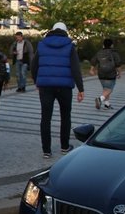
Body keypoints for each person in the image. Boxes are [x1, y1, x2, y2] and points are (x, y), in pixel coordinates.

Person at [31, 22, 85, 158]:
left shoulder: (42, 44)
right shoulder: (70, 46)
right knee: (65, 116)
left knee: (45, 117)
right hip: (65, 87)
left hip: (45, 86)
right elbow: (75, 68)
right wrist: (80, 88)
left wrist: (37, 81)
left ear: (52, 30)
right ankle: (65, 146)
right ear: (65, 31)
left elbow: (34, 65)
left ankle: (46, 151)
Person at [90, 38, 122, 109]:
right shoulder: (114, 53)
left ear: (103, 45)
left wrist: (91, 70)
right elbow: (118, 64)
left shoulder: (99, 52)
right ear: (112, 45)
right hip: (111, 74)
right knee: (110, 89)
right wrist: (119, 73)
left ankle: (107, 104)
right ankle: (100, 99)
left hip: (101, 74)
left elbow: (93, 61)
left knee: (105, 88)